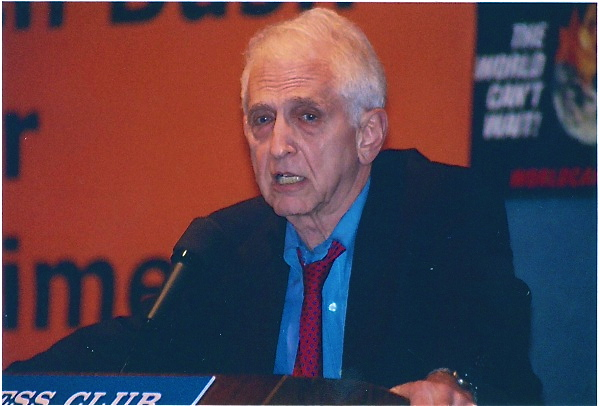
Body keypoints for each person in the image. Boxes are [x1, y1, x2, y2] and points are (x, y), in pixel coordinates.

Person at [6, 8, 542, 405]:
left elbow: (493, 348)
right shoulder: (223, 244)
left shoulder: (442, 210)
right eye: (262, 120)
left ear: (368, 133)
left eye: (307, 116)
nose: (278, 144)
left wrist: (452, 384)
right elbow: (139, 346)